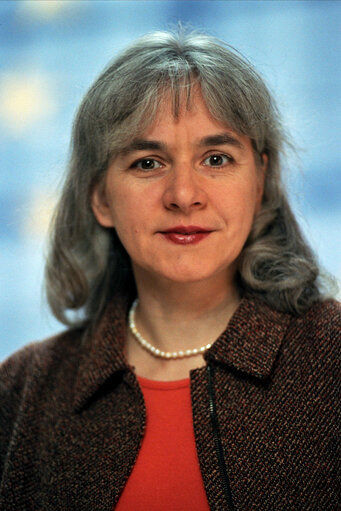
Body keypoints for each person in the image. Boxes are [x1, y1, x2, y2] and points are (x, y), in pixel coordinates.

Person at [0, 29, 339, 511]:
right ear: (100, 197)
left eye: (216, 159)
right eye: (148, 162)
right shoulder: (22, 391)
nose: (184, 194)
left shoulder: (332, 359)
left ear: (260, 181)